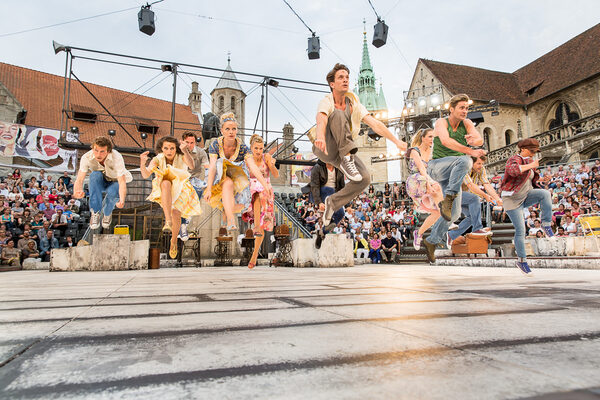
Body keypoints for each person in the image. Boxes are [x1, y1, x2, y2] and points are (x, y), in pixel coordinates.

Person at [312, 63, 407, 228]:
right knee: (338, 115)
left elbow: (375, 124)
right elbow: (321, 119)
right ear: (332, 84)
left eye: (347, 77)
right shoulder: (326, 101)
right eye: (341, 77)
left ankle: (332, 203)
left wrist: (396, 141)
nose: (345, 80)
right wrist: (320, 136)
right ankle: (346, 159)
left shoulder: (354, 104)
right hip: (326, 147)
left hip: (343, 151)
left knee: (364, 179)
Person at [422, 94, 486, 263]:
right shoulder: (441, 123)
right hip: (437, 168)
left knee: (454, 213)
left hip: (453, 174)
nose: (465, 111)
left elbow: (479, 138)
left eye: (467, 108)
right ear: (452, 109)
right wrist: (470, 150)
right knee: (466, 160)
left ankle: (431, 241)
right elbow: (445, 140)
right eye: (462, 108)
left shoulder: (467, 123)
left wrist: (476, 141)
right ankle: (449, 198)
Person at [204, 113, 272, 231]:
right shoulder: (215, 144)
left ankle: (226, 210)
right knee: (228, 182)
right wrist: (209, 188)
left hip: (238, 178)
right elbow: (213, 167)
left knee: (241, 205)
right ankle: (231, 220)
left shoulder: (243, 148)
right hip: (218, 176)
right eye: (227, 129)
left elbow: (253, 167)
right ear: (222, 131)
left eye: (234, 129)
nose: (231, 132)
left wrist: (265, 185)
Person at [140, 136, 202, 259]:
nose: (169, 151)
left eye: (172, 148)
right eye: (166, 148)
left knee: (176, 213)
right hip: (165, 189)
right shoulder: (158, 158)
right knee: (165, 182)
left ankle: (173, 241)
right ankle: (168, 221)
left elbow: (192, 165)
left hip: (181, 187)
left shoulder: (181, 156)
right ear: (161, 149)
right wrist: (142, 163)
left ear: (176, 148)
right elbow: (146, 174)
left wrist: (185, 150)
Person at [500, 138, 554, 275]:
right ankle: (522, 261)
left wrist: (542, 179)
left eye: (535, 152)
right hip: (512, 199)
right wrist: (531, 165)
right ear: (523, 149)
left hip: (526, 195)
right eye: (531, 151)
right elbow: (513, 172)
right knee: (520, 230)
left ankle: (546, 224)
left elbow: (531, 178)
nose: (532, 155)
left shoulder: (530, 162)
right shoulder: (514, 159)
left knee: (545, 194)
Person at [73, 137, 132, 230]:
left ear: (108, 151)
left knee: (113, 192)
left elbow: (121, 181)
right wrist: (77, 190)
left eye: (102, 151)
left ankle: (107, 213)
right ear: (92, 149)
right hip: (101, 180)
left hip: (115, 181)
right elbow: (80, 178)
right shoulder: (86, 157)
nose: (98, 154)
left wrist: (122, 200)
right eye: (96, 151)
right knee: (94, 175)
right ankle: (95, 212)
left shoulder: (117, 157)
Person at [447, 155, 502, 245]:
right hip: (450, 193)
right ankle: (477, 228)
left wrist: (497, 198)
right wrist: (485, 195)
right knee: (474, 198)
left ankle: (451, 235)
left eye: (482, 164)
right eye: (479, 163)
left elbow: (486, 184)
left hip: (461, 196)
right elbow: (471, 185)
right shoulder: (463, 167)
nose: (481, 166)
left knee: (472, 217)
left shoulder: (481, 169)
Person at [243, 135, 279, 269]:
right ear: (251, 148)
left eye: (260, 148)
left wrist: (272, 165)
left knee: (263, 227)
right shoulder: (248, 159)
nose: (258, 150)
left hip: (266, 190)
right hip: (252, 190)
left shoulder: (266, 157)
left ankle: (254, 255)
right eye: (256, 148)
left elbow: (275, 175)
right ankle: (256, 225)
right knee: (257, 192)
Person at [405, 128, 443, 250]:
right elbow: (421, 169)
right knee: (435, 185)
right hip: (415, 182)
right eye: (430, 137)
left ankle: (419, 233)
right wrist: (430, 183)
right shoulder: (414, 151)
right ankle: (447, 217)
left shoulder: (433, 153)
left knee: (437, 213)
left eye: (434, 137)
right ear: (423, 138)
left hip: (426, 182)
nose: (433, 140)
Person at [303, 160, 346, 249]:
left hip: (333, 195)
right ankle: (328, 217)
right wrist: (319, 202)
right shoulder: (317, 168)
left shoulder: (339, 168)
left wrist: (347, 204)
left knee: (341, 213)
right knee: (329, 190)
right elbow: (315, 186)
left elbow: (342, 188)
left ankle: (322, 233)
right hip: (320, 193)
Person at [178, 131, 209, 241]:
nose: (190, 145)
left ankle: (184, 224)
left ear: (195, 143)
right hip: (182, 179)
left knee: (194, 194)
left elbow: (207, 167)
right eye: (187, 142)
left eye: (192, 143)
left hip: (196, 180)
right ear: (182, 141)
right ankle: (181, 225)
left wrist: (207, 183)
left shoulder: (201, 153)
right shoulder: (178, 151)